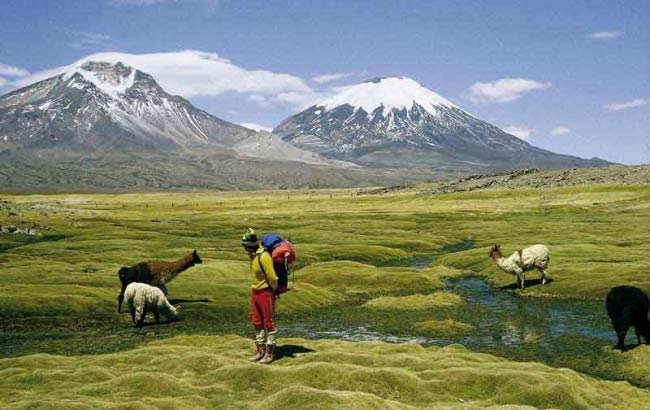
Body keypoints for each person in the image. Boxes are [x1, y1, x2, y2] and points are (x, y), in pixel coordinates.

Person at [242, 228, 279, 364]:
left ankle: (270, 352)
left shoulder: (264, 256)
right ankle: (260, 350)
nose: (244, 249)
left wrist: (273, 290)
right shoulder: (252, 256)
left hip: (265, 293)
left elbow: (273, 277)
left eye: (245, 246)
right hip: (255, 292)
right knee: (257, 321)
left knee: (269, 322)